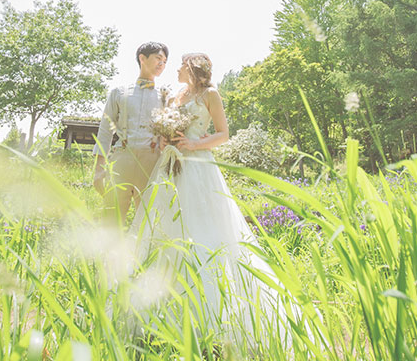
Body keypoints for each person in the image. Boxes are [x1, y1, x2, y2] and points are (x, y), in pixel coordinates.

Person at [128, 53, 313, 352]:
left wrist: (195, 144)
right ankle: (157, 313)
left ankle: (212, 320)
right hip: (169, 167)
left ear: (192, 68)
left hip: (198, 167)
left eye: (180, 64)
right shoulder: (175, 95)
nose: (174, 67)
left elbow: (224, 134)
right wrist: (165, 141)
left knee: (202, 231)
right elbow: (167, 130)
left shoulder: (210, 94)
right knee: (164, 230)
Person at [93, 41, 169, 225]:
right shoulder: (119, 93)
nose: (162, 64)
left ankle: (142, 254)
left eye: (165, 61)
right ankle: (107, 253)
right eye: (158, 58)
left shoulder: (166, 96)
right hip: (122, 158)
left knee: (148, 219)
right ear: (142, 58)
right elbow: (105, 130)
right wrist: (98, 168)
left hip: (152, 161)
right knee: (112, 215)